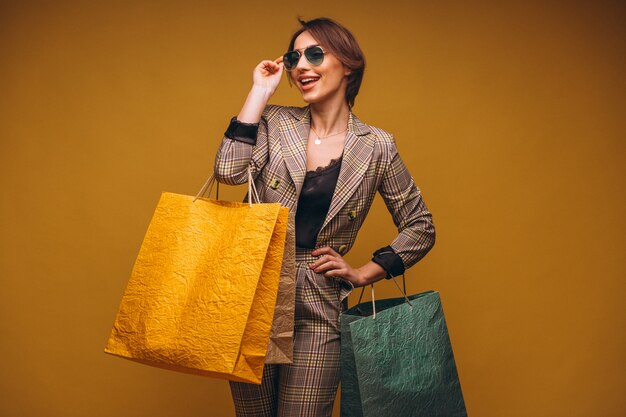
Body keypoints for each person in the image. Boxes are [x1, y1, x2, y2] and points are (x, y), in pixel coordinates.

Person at [214, 17, 435, 417]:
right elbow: (228, 172)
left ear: (348, 65)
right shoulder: (274, 122)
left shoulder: (377, 146)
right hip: (254, 292)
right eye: (293, 56)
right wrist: (259, 92)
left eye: (315, 54)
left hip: (318, 297)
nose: (301, 65)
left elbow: (420, 226)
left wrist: (365, 272)